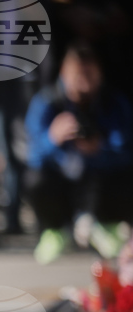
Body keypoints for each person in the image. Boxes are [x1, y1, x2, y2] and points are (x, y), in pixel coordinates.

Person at [26, 41, 133, 264]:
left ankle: (108, 226)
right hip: (62, 181)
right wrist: (52, 139)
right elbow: (30, 155)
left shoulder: (113, 102)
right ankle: (54, 231)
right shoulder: (46, 102)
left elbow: (125, 149)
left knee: (125, 176)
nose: (84, 83)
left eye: (90, 74)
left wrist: (99, 148)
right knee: (34, 179)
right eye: (78, 75)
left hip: (100, 180)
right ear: (64, 73)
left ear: (101, 74)